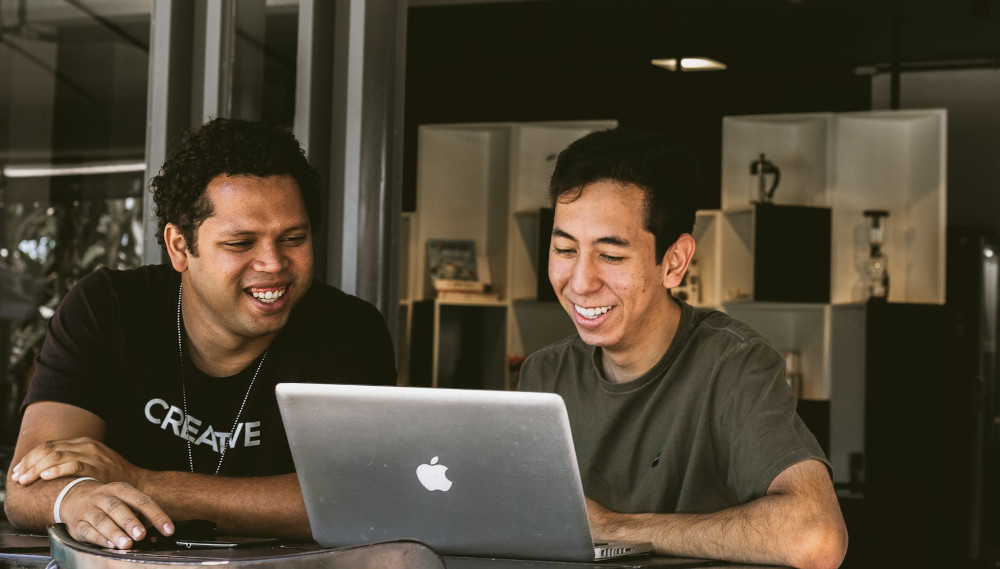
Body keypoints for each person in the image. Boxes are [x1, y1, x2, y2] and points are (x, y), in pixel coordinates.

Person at [4, 118, 397, 550]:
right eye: (240, 243)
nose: (273, 263)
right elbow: (28, 485)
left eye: (293, 238)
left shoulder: (348, 330)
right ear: (179, 247)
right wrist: (73, 498)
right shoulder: (109, 307)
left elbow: (352, 499)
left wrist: (140, 483)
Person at [518, 127, 848, 569]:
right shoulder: (544, 373)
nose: (580, 282)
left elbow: (817, 536)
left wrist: (616, 528)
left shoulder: (734, 365)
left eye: (611, 256)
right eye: (564, 249)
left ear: (674, 262)